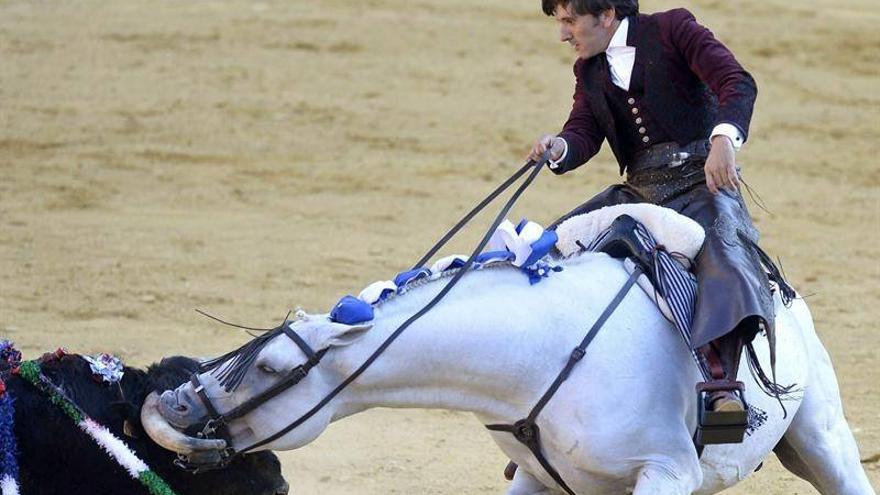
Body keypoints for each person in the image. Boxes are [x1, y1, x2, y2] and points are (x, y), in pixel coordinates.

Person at [528, 0, 774, 421]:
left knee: (723, 255)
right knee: (549, 249)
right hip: (640, 189)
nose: (563, 34)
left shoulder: (672, 29)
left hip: (703, 181)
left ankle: (723, 390)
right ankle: (549, 406)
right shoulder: (588, 69)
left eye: (570, 21)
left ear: (606, 14)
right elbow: (584, 129)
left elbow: (736, 81)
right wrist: (561, 146)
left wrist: (723, 140)